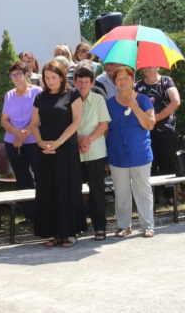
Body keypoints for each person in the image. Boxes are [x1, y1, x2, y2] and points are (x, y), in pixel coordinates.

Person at [29, 60, 86, 247]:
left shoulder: (73, 94)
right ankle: (55, 233)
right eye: (47, 78)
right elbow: (34, 123)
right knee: (48, 191)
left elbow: (76, 122)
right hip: (45, 151)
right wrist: (40, 142)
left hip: (65, 150)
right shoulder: (40, 97)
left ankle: (70, 233)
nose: (50, 81)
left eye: (54, 77)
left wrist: (58, 142)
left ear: (62, 77)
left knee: (67, 191)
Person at [106, 66, 156, 238]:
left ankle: (147, 225)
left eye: (126, 78)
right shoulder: (109, 103)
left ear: (132, 80)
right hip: (117, 154)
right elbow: (105, 130)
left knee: (143, 189)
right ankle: (123, 226)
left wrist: (135, 108)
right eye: (118, 79)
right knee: (121, 192)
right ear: (115, 83)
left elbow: (150, 124)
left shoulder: (143, 100)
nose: (122, 81)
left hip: (140, 153)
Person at [1, 61, 43, 224]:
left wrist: (22, 136)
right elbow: (4, 120)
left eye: (18, 74)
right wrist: (16, 134)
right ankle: (30, 214)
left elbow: (37, 119)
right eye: (12, 75)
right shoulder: (9, 95)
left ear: (27, 74)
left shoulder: (37, 92)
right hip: (12, 142)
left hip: (33, 140)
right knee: (22, 176)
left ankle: (43, 210)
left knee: (39, 175)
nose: (15, 78)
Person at [73, 64, 111, 240]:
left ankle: (99, 227)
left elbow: (104, 124)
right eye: (79, 81)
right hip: (74, 150)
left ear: (92, 83)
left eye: (86, 82)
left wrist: (87, 140)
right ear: (74, 82)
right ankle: (77, 226)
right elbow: (66, 125)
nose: (82, 85)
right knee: (74, 191)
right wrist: (79, 138)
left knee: (97, 191)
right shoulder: (69, 99)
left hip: (95, 150)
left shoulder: (98, 99)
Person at [135, 67, 181, 205]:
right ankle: (152, 198)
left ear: (157, 67)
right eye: (144, 66)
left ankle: (170, 196)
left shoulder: (166, 81)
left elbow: (176, 101)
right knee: (149, 164)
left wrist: (159, 116)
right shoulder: (137, 86)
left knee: (166, 161)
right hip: (144, 130)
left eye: (149, 65)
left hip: (165, 128)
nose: (146, 69)